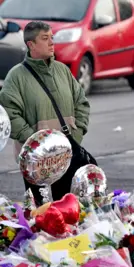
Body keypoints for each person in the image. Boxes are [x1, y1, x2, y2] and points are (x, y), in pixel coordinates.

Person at [0, 21, 90, 205]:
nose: (51, 43)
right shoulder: (16, 77)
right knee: (43, 215)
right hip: (37, 163)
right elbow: (10, 113)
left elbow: (81, 103)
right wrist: (36, 145)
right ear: (31, 44)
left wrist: (77, 134)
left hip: (67, 155)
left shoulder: (62, 70)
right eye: (45, 38)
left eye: (52, 38)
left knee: (70, 209)